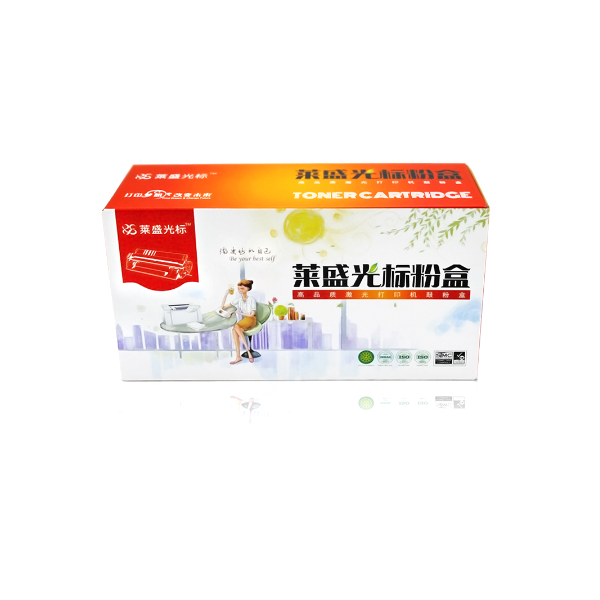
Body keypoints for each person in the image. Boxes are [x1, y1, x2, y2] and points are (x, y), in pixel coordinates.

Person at [221, 279, 257, 365]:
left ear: (248, 289)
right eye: (239, 288)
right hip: (245, 320)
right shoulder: (239, 299)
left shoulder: (252, 299)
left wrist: (237, 312)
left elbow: (252, 315)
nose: (240, 289)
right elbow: (222, 307)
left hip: (252, 320)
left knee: (235, 327)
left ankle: (248, 351)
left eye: (242, 288)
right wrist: (226, 294)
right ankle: (238, 356)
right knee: (234, 329)